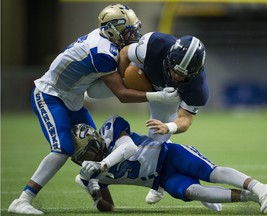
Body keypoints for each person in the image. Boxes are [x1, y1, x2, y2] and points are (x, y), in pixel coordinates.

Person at [8, 4, 180, 215]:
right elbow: (122, 95)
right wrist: (158, 95)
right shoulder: (102, 51)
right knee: (63, 148)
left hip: (73, 99)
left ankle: (94, 187)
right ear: (112, 30)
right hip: (50, 94)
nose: (133, 34)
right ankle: (23, 199)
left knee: (99, 147)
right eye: (128, 30)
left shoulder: (107, 43)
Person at [71, 114, 267, 214]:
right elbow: (109, 208)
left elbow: (129, 149)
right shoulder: (92, 173)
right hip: (162, 179)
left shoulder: (112, 128)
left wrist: (103, 165)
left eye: (90, 150)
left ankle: (261, 188)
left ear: (95, 139)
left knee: (211, 172)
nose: (91, 156)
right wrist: (94, 193)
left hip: (169, 154)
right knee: (194, 192)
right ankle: (251, 197)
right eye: (85, 156)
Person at [118, 32, 209, 203]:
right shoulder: (154, 44)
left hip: (169, 97)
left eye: (182, 75)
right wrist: (120, 81)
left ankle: (161, 184)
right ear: (169, 56)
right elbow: (123, 54)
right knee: (108, 82)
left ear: (194, 73)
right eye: (174, 70)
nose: (175, 76)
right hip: (144, 76)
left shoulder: (199, 87)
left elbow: (185, 120)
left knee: (158, 138)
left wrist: (169, 126)